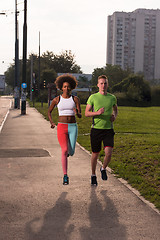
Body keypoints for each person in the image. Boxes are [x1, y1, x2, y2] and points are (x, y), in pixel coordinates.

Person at [48, 74, 81, 185]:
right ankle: (65, 175)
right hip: (61, 127)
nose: (66, 88)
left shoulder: (75, 99)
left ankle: (68, 153)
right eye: (64, 86)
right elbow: (49, 111)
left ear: (71, 87)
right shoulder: (57, 99)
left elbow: (80, 115)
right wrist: (52, 122)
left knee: (71, 152)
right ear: (61, 88)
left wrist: (77, 113)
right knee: (64, 150)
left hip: (73, 127)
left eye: (68, 86)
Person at [85, 75, 118, 186]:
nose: (103, 85)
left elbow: (115, 109)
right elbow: (86, 113)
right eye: (101, 83)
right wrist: (97, 113)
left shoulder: (112, 97)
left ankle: (103, 168)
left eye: (105, 83)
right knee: (95, 154)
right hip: (96, 130)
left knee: (108, 154)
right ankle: (93, 175)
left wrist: (114, 116)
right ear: (98, 85)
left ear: (107, 85)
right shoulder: (93, 97)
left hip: (108, 129)